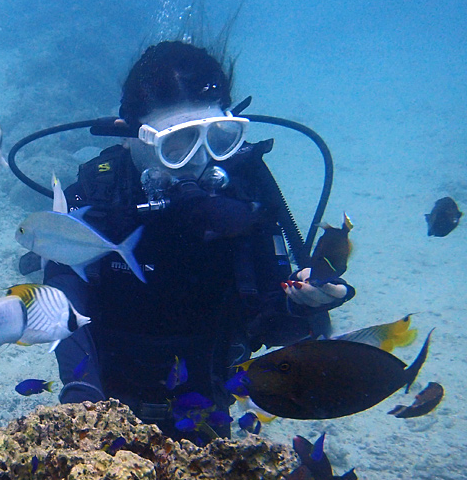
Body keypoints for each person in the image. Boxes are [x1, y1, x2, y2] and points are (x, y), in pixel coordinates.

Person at [45, 40, 353, 440]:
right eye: (175, 143)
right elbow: (60, 306)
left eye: (218, 138)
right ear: (129, 136)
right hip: (103, 411)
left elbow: (271, 323)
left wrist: (308, 303)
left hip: (207, 414)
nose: (198, 161)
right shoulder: (96, 198)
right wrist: (81, 398)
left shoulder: (247, 197)